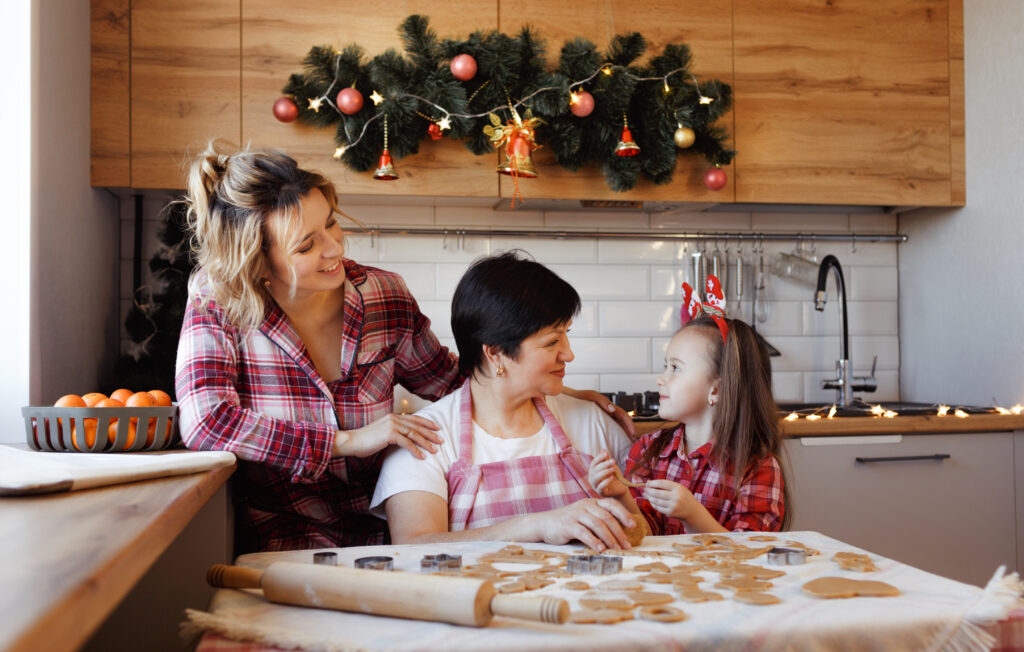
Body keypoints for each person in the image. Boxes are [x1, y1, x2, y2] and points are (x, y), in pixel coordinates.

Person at [175, 142, 632, 552]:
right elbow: (208, 422)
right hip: (285, 531)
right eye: (306, 246)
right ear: (259, 264)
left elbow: (456, 381)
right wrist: (348, 441)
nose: (335, 248)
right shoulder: (218, 302)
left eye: (331, 223)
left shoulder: (383, 295)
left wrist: (559, 389)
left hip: (384, 528)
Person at [372, 252, 638, 551]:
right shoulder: (425, 437)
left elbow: (648, 532)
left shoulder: (590, 421)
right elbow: (413, 546)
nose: (568, 354)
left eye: (566, 335)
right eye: (552, 342)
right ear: (495, 353)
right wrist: (536, 525)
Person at [589, 303, 788, 535]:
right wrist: (620, 493)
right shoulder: (649, 450)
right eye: (666, 366)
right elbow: (646, 532)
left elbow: (751, 551)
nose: (660, 379)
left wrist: (693, 515)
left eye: (675, 368)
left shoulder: (758, 467)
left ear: (716, 390)